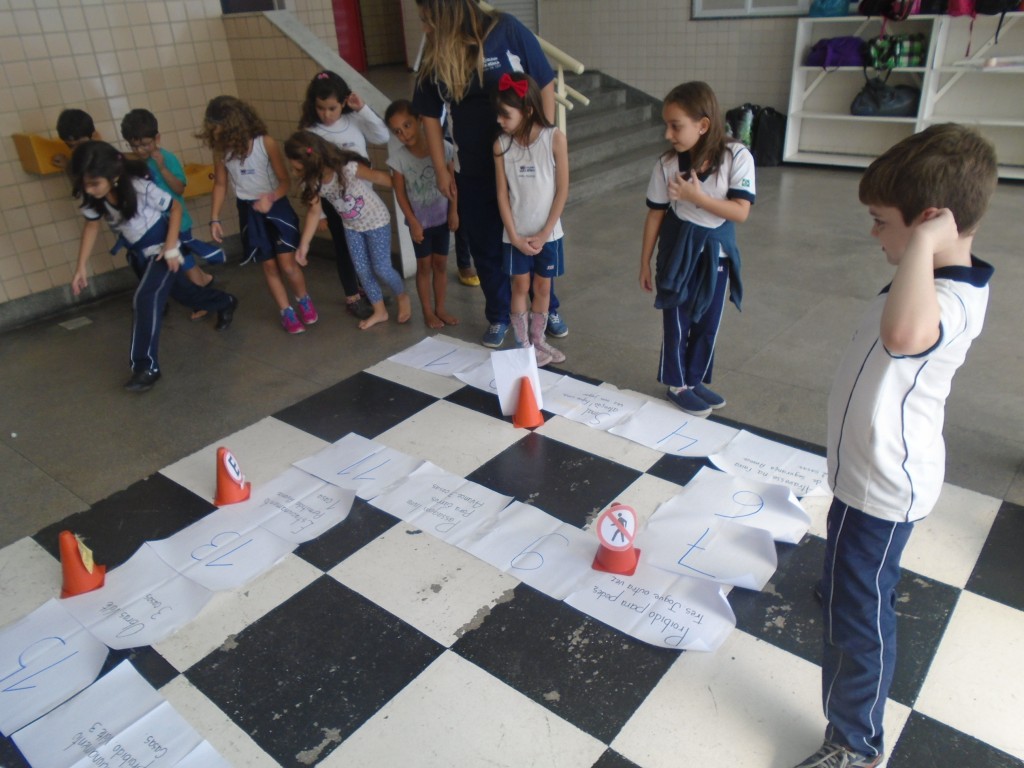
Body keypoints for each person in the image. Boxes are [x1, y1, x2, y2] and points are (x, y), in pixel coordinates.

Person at [794, 124, 998, 768]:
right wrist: (925, 243)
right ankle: (844, 586)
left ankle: (856, 744)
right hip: (865, 478)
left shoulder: (949, 299)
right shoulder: (934, 278)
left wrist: (926, 244)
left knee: (858, 627)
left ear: (933, 223)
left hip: (882, 489)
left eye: (882, 222)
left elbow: (907, 333)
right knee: (850, 575)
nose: (875, 234)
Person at [412, 0, 567, 348]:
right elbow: (428, 114)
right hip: (474, 169)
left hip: (523, 169)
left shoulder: (507, 31)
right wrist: (441, 168)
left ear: (448, 13)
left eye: (428, 19)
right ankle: (499, 314)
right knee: (486, 246)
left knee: (536, 239)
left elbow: (543, 84)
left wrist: (543, 141)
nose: (425, 27)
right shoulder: (435, 53)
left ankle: (546, 307)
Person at [68, 142, 238, 392]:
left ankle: (146, 366)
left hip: (163, 248)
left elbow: (176, 208)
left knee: (145, 299)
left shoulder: (139, 186)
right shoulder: (94, 198)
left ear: (113, 176)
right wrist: (81, 267)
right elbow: (91, 225)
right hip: (141, 253)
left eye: (94, 183)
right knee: (185, 294)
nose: (89, 189)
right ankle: (225, 302)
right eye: (85, 183)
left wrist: (170, 248)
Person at [639, 81, 754, 417]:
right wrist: (645, 261)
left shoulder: (737, 156)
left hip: (716, 252)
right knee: (678, 319)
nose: (668, 134)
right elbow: (655, 214)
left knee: (708, 320)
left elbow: (741, 211)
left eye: (676, 126)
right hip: (678, 253)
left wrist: (697, 197)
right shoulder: (667, 164)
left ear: (703, 125)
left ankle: (696, 378)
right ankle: (677, 384)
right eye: (667, 125)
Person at [198, 95, 317, 335]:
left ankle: (302, 298)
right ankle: (286, 312)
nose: (217, 136)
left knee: (288, 264)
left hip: (276, 206)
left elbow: (285, 181)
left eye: (220, 130)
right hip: (250, 211)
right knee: (270, 266)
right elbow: (220, 185)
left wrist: (270, 198)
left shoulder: (265, 143)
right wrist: (215, 218)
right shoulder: (221, 152)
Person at [284, 131, 411, 330]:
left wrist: (406, 188)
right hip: (352, 227)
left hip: (376, 221)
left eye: (298, 168)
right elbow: (314, 211)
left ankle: (401, 295)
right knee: (362, 270)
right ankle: (380, 311)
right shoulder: (314, 182)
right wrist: (305, 244)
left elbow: (378, 176)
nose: (294, 173)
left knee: (382, 267)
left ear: (313, 162)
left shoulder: (347, 168)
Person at [299, 70, 388, 321]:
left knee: (366, 250)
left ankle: (370, 291)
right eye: (320, 108)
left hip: (364, 202)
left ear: (343, 103)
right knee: (345, 249)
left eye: (332, 108)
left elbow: (382, 136)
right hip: (334, 203)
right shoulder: (312, 131)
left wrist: (363, 110)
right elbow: (311, 174)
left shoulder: (355, 120)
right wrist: (322, 214)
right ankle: (352, 296)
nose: (326, 114)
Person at [493, 73, 568, 367]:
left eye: (506, 115)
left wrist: (545, 231)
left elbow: (562, 189)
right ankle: (523, 345)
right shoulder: (501, 145)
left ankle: (538, 340)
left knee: (543, 288)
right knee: (520, 287)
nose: (500, 120)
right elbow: (502, 194)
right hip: (515, 235)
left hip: (547, 234)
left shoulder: (554, 138)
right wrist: (513, 235)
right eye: (498, 114)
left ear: (527, 110)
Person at [120, 108, 222, 316]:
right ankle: (204, 280)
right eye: (135, 146)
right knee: (182, 261)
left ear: (157, 138)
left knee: (185, 263)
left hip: (178, 221)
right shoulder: (138, 161)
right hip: (159, 225)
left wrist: (163, 168)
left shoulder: (167, 159)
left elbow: (179, 188)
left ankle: (202, 300)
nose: (140, 150)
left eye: (146, 144)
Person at [385, 99, 459, 329]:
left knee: (440, 264)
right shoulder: (398, 159)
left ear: (419, 120)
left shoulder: (442, 149)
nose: (404, 134)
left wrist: (454, 211)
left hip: (442, 218)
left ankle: (440, 308)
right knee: (424, 266)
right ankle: (428, 312)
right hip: (420, 224)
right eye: (397, 131)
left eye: (407, 125)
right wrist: (414, 222)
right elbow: (400, 194)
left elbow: (452, 183)